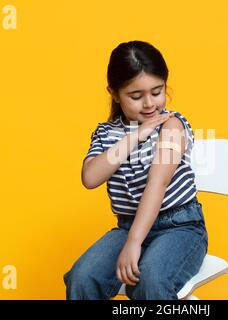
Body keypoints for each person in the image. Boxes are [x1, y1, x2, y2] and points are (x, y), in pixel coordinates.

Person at [63, 40, 208, 300]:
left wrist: (134, 243)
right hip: (128, 227)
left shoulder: (171, 126)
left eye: (157, 91)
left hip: (179, 227)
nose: (150, 104)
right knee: (82, 277)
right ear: (115, 93)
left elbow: (157, 184)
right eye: (136, 96)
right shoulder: (107, 133)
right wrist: (135, 135)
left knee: (151, 280)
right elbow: (91, 177)